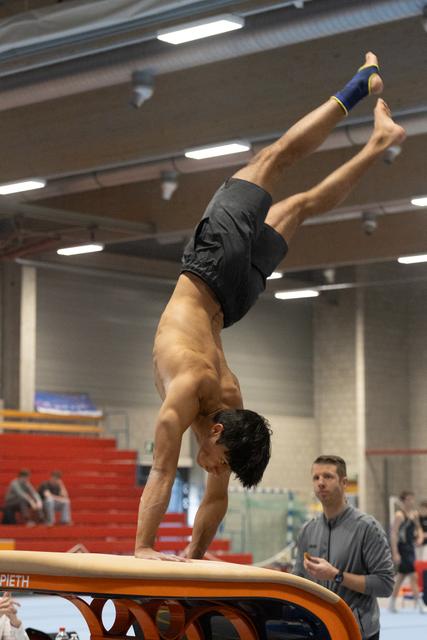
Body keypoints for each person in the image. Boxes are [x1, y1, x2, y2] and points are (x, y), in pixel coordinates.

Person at [134, 52, 406, 562]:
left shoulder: (229, 409)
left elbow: (215, 495)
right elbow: (164, 472)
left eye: (220, 466)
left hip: (232, 301)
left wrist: (193, 554)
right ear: (218, 432)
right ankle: (357, 85)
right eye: (219, 462)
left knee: (299, 206)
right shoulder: (192, 395)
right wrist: (145, 548)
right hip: (214, 273)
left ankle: (380, 143)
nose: (215, 470)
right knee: (273, 159)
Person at [293, 455, 394, 640]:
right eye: (316, 478)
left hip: (357, 632)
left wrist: (336, 575)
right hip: (318, 630)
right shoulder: (308, 530)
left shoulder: (367, 528)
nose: (321, 483)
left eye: (328, 476)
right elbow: (297, 580)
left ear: (344, 482)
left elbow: (385, 585)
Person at [389, 490, 425, 613]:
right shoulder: (399, 515)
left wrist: (420, 537)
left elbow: (419, 528)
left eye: (412, 499)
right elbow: (393, 534)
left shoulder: (414, 514)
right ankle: (420, 605)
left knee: (400, 578)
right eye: (408, 499)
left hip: (411, 548)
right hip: (402, 548)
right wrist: (395, 552)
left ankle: (391, 603)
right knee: (413, 576)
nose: (411, 501)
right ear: (403, 500)